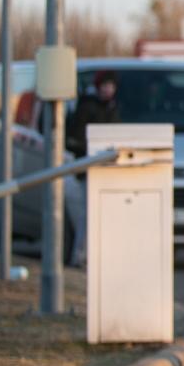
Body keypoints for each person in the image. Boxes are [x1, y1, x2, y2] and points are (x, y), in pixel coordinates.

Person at [64, 70, 121, 267]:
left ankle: (94, 255)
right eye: (105, 85)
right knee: (87, 215)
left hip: (106, 168)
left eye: (111, 85)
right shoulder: (88, 107)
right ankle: (80, 256)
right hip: (88, 168)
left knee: (98, 214)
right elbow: (77, 138)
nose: (108, 89)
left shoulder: (112, 107)